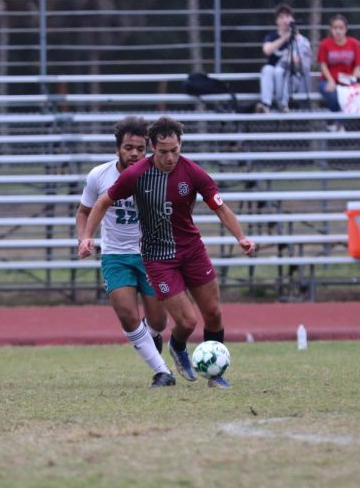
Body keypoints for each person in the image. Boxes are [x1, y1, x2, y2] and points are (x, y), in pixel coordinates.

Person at [79, 116, 256, 389]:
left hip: (192, 250)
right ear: (153, 148)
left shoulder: (193, 172)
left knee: (213, 313)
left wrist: (241, 237)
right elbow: (102, 202)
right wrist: (87, 237)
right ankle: (177, 347)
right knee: (186, 320)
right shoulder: (137, 174)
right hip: (158, 257)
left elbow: (219, 206)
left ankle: (215, 376)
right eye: (163, 152)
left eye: (175, 150)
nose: (171, 157)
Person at [76, 116, 175, 388]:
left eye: (140, 149)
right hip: (115, 256)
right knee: (127, 315)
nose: (134, 153)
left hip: (152, 256)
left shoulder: (159, 175)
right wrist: (85, 238)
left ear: (148, 149)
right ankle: (162, 372)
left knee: (158, 320)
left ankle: (150, 335)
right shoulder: (99, 176)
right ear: (117, 149)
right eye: (128, 148)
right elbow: (84, 211)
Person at [257, 3, 312, 113]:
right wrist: (284, 38)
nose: (285, 20)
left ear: (292, 19)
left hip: (291, 78)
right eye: (281, 17)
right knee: (267, 69)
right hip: (273, 77)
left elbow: (303, 61)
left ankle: (283, 104)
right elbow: (267, 50)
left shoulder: (300, 40)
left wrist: (295, 36)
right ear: (277, 21)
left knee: (280, 71)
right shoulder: (271, 36)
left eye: (287, 16)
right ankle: (265, 104)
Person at [317, 14, 360, 131]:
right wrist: (330, 80)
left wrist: (352, 80)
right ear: (331, 29)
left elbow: (358, 65)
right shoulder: (325, 44)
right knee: (334, 97)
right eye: (335, 28)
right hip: (328, 80)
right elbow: (322, 65)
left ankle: (336, 124)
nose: (338, 31)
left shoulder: (354, 43)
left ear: (346, 29)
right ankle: (334, 123)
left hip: (347, 82)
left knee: (352, 98)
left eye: (341, 28)